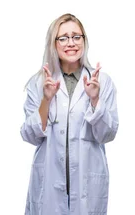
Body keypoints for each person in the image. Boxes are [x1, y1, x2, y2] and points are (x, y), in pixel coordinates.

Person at [20, 13, 118, 215]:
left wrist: (94, 99)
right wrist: (46, 99)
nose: (70, 43)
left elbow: (107, 134)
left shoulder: (102, 82)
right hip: (49, 185)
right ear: (53, 43)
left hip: (87, 186)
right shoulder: (39, 83)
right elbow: (29, 136)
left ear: (84, 40)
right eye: (63, 37)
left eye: (76, 36)